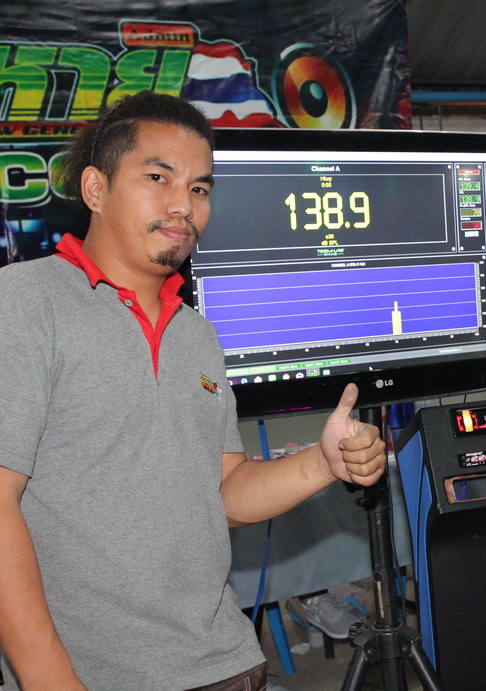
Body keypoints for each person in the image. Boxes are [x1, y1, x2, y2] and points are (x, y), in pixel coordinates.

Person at [0, 91, 387, 690]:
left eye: (200, 188)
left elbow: (225, 492)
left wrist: (323, 462)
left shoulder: (197, 334)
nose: (183, 205)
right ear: (96, 188)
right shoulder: (25, 302)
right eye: (159, 177)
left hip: (225, 663)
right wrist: (50, 679)